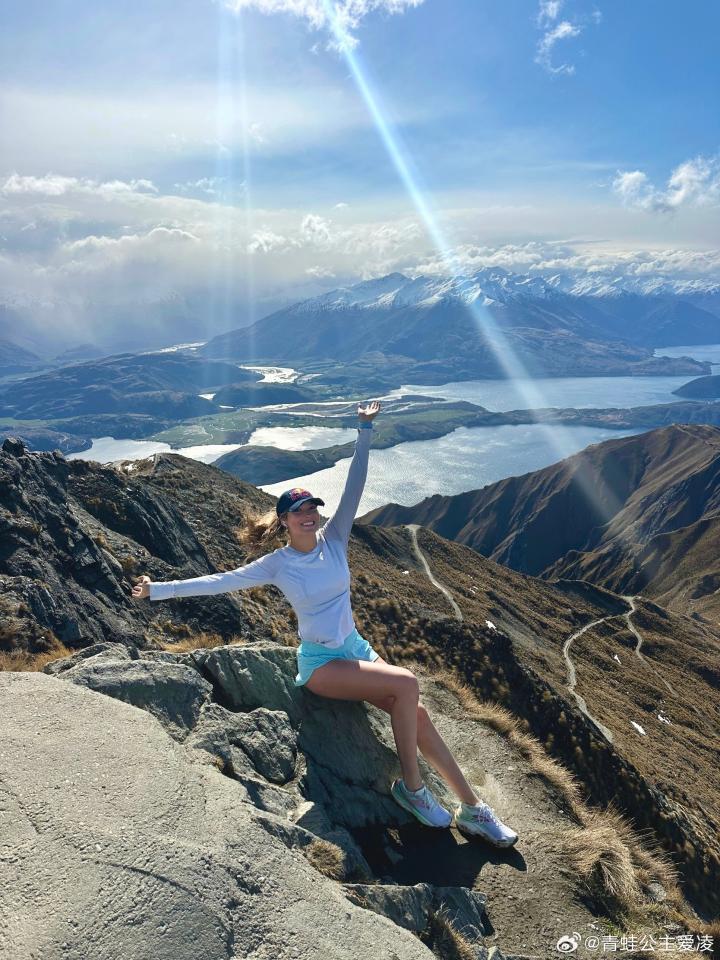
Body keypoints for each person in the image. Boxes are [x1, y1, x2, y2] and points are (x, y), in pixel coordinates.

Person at [132, 399, 518, 846]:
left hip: (355, 648)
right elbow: (219, 581)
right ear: (284, 521)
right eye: (299, 511)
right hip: (322, 664)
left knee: (417, 711)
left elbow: (355, 484)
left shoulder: (333, 539)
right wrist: (158, 590)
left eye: (312, 507)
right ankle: (413, 791)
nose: (309, 514)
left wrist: (365, 429)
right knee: (408, 683)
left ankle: (472, 809)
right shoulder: (277, 564)